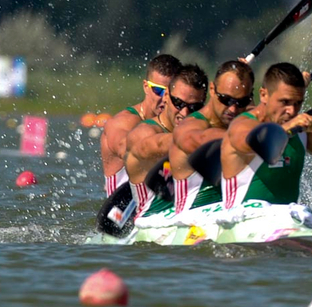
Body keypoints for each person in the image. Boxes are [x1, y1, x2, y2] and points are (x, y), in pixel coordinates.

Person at [219, 62, 312, 208]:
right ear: (264, 95)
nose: (292, 111)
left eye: (298, 103)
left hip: (285, 225)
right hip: (240, 224)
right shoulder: (242, 125)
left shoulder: (299, 130)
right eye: (285, 102)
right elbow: (253, 142)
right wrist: (287, 128)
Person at [169, 60, 255, 214]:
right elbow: (201, 140)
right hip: (191, 224)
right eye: (226, 100)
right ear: (212, 89)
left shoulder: (245, 120)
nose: (233, 109)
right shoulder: (191, 125)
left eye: (241, 101)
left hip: (229, 217)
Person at [125, 64, 208, 218]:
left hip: (193, 216)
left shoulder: (203, 130)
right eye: (179, 103)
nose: (185, 113)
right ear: (166, 96)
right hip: (152, 223)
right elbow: (158, 145)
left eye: (194, 107)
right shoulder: (144, 132)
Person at [100, 54, 181, 196]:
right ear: (146, 87)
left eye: (170, 93)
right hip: (127, 210)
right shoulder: (124, 122)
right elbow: (127, 148)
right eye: (158, 91)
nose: (164, 98)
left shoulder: (181, 120)